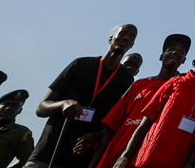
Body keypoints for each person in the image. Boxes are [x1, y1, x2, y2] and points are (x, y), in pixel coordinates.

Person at [27, 25, 138, 168]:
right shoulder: (81, 64)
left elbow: (112, 125)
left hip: (79, 160)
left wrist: (96, 135)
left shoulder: (126, 81)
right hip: (46, 155)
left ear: (132, 45)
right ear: (111, 39)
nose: (126, 38)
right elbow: (41, 108)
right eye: (123, 33)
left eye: (131, 37)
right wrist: (63, 104)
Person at [77, 34, 192, 168]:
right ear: (161, 56)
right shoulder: (140, 85)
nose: (174, 52)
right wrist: (96, 137)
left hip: (145, 157)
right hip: (117, 155)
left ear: (184, 60)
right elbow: (113, 123)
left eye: (181, 51)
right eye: (170, 49)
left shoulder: (181, 91)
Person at [112, 45, 195, 168]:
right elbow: (144, 124)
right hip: (145, 160)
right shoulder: (174, 82)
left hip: (177, 163)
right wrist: (124, 157)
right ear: (194, 62)